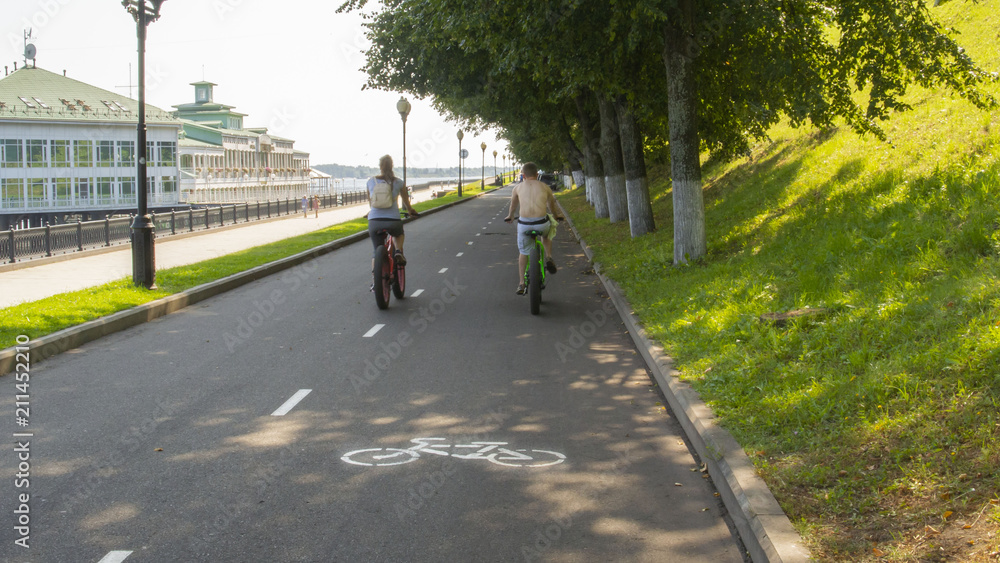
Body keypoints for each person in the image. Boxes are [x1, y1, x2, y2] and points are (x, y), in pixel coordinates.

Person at [504, 162, 564, 295]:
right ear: (537, 174)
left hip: (524, 224)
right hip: (541, 223)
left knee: (524, 252)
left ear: (523, 175)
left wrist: (510, 216)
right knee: (548, 233)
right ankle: (548, 257)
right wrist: (556, 215)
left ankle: (521, 283)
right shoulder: (545, 187)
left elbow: (513, 206)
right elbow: (551, 205)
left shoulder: (517, 188)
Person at [367, 155, 419, 268]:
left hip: (374, 220)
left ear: (380, 166)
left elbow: (371, 204)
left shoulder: (371, 181)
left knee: (376, 251)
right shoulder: (399, 182)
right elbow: (406, 202)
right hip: (393, 220)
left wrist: (369, 213)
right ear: (392, 166)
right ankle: (398, 252)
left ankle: (375, 281)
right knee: (399, 234)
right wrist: (411, 211)